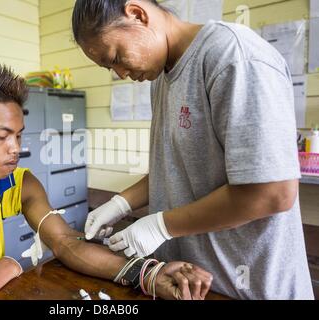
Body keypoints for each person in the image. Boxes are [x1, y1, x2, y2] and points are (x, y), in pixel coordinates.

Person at [0, 61, 213, 300]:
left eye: (19, 135)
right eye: (2, 136)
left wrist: (147, 274)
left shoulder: (19, 183)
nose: (16, 149)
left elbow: (66, 243)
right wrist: (7, 266)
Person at [72, 0, 314, 300]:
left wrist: (160, 225)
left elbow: (272, 192)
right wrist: (121, 203)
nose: (120, 73)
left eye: (117, 57)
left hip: (249, 287)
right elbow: (176, 166)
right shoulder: (160, 79)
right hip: (189, 282)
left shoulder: (233, 57)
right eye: (110, 68)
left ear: (137, 14)